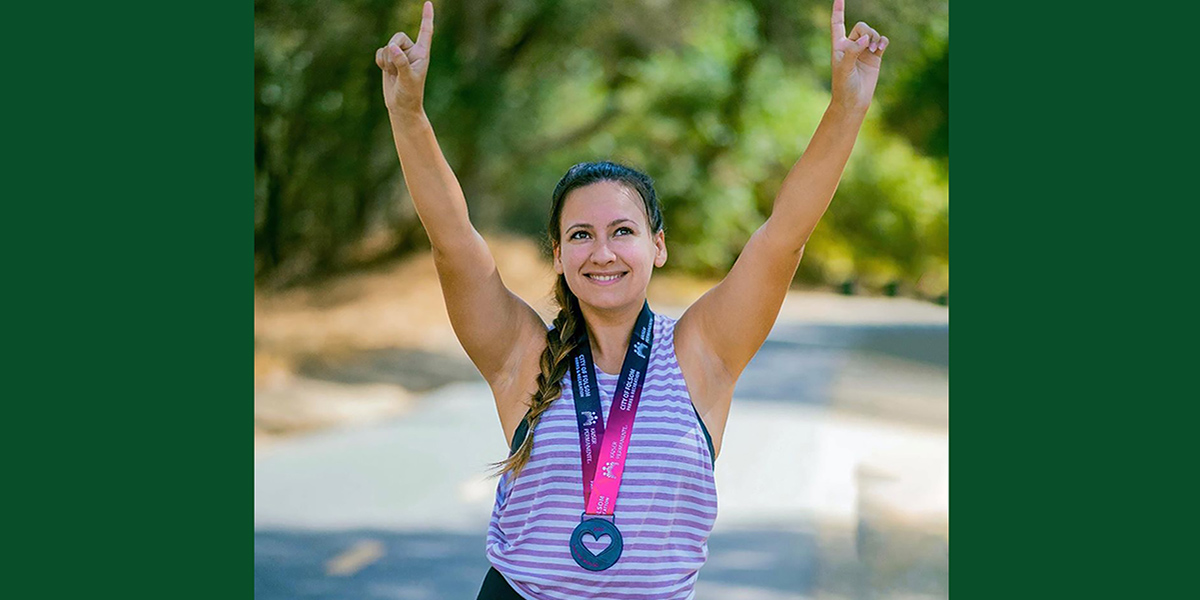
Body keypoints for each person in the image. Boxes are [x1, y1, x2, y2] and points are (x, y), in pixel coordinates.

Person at [375, 1, 888, 598]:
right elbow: (454, 245)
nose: (603, 253)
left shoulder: (702, 352)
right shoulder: (524, 356)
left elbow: (783, 238)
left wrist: (847, 105)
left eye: (623, 231)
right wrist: (408, 114)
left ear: (658, 245)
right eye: (580, 236)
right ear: (559, 254)